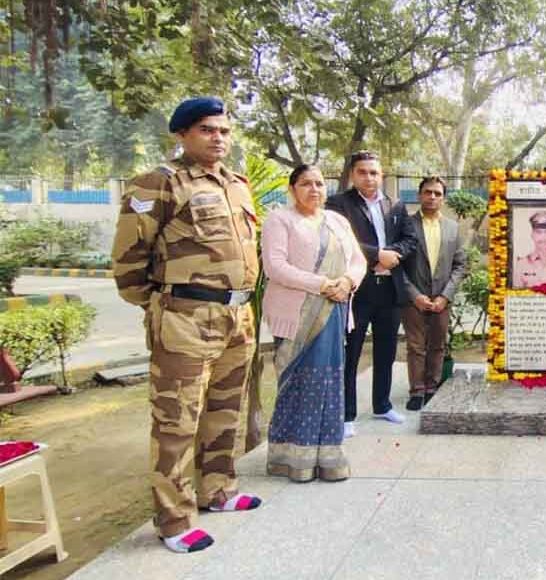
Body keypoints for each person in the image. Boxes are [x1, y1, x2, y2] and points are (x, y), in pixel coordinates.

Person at [111, 97, 262, 553]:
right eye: (206, 130)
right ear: (182, 134)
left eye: (224, 130)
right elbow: (128, 263)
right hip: (186, 319)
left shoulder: (236, 185)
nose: (218, 138)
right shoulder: (160, 183)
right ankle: (174, 519)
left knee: (224, 411)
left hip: (237, 317)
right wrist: (164, 306)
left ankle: (218, 489)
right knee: (176, 421)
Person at [261, 165, 367, 482]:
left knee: (329, 381)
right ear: (292, 189)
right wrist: (321, 284)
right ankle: (291, 458)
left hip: (334, 312)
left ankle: (327, 456)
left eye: (319, 184)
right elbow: (275, 266)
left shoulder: (337, 221)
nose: (314, 189)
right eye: (306, 183)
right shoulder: (280, 219)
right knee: (300, 383)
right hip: (297, 315)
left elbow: (358, 261)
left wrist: (347, 282)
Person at [326, 151, 417, 434]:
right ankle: (347, 415)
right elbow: (340, 241)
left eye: (374, 172)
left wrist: (393, 255)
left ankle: (382, 405)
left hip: (390, 289)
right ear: (353, 174)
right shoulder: (338, 204)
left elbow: (410, 239)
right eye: (363, 172)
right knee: (351, 353)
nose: (369, 177)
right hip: (358, 289)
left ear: (382, 175)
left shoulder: (395, 204)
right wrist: (377, 255)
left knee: (386, 351)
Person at [400, 176, 468, 411]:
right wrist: (414, 295)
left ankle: (432, 388)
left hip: (441, 298)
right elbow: (398, 265)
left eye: (437, 193)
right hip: (413, 299)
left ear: (443, 198)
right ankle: (416, 391)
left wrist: (445, 296)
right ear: (419, 195)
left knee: (438, 345)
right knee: (415, 346)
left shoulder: (452, 228)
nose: (432, 197)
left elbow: (460, 265)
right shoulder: (406, 225)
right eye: (428, 192)